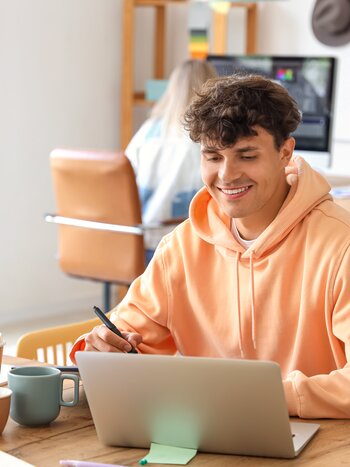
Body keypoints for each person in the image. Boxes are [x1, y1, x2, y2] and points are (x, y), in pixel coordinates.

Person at [71, 74, 350, 419]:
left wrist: (262, 396)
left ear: (285, 152)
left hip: (325, 442)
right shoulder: (181, 248)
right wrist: (102, 350)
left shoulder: (341, 246)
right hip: (209, 437)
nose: (227, 175)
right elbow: (127, 340)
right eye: (213, 157)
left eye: (246, 156)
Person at [124, 59, 217, 263]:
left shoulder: (148, 131)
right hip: (185, 247)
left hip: (141, 243)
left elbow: (123, 180)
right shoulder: (206, 138)